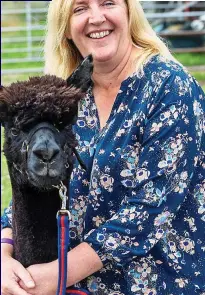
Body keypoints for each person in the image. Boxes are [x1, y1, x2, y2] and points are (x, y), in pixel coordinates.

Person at [1, 0, 205, 294]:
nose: (96, 17)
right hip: (77, 285)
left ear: (128, 12)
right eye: (80, 8)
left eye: (108, 2)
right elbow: (32, 180)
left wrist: (58, 275)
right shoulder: (70, 99)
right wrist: (5, 252)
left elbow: (150, 209)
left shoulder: (170, 89)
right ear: (67, 28)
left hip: (159, 283)